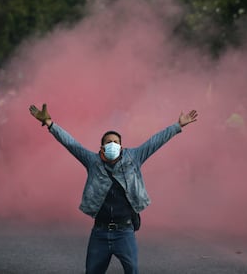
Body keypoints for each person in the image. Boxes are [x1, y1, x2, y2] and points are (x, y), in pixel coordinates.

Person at [29, 103, 198, 274]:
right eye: (108, 142)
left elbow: (155, 141)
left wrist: (178, 126)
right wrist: (50, 123)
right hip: (99, 233)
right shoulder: (93, 161)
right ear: (101, 147)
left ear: (121, 146)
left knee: (132, 270)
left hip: (125, 232)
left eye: (116, 142)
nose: (112, 145)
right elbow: (71, 144)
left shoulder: (134, 157)